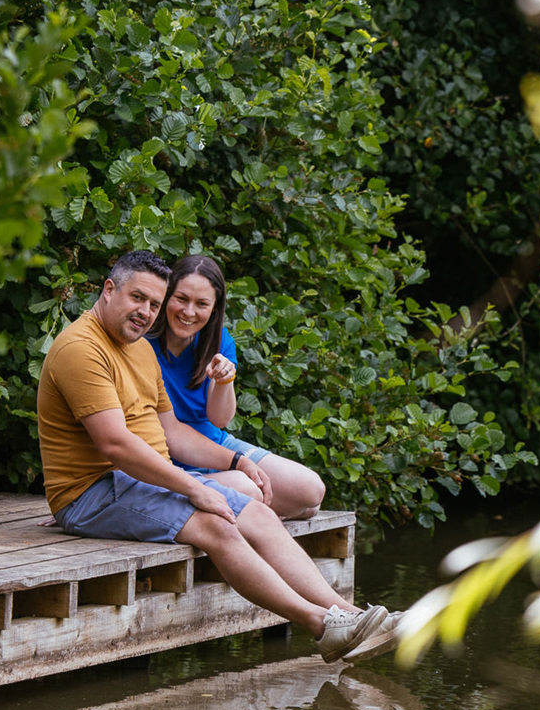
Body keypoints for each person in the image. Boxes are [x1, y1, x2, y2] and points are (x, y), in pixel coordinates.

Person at [36, 250, 394, 663]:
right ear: (109, 289)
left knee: (256, 513)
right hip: (93, 493)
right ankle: (322, 627)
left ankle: (349, 616)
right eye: (138, 298)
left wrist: (235, 461)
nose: (146, 312)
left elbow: (172, 432)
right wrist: (194, 487)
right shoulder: (81, 349)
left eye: (154, 303)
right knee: (218, 525)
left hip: (138, 482)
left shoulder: (137, 348)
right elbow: (114, 445)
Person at [146, 253, 325, 520]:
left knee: (311, 493)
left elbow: (219, 420)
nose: (189, 312)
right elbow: (168, 432)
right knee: (254, 491)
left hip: (214, 444)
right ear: (167, 296)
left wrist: (223, 381)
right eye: (181, 299)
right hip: (170, 454)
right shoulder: (143, 342)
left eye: (202, 303)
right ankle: (249, 506)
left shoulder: (219, 340)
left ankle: (250, 505)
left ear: (215, 308)